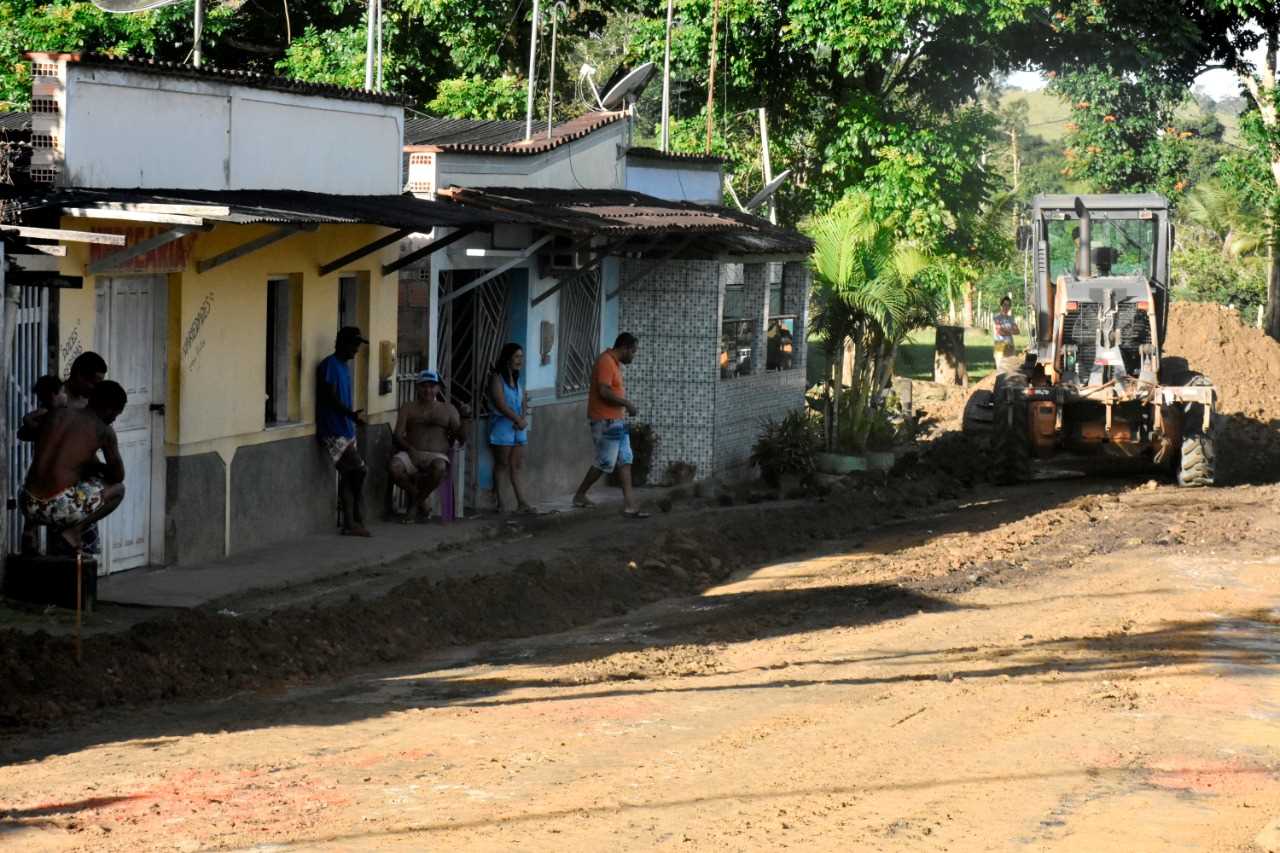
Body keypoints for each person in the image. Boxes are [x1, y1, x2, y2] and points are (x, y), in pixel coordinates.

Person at [21, 380, 128, 552]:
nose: (114, 419)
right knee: (118, 490)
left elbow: (28, 427)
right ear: (109, 408)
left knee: (44, 474)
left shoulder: (56, 414)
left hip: (26, 502)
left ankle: (29, 529)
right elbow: (118, 476)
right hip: (57, 508)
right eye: (115, 414)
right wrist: (98, 467)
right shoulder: (104, 431)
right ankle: (73, 531)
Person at [572, 333, 648, 519]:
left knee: (625, 460)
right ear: (625, 348)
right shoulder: (606, 361)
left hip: (615, 420)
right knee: (605, 462)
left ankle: (630, 505)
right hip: (605, 420)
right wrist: (626, 403)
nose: (633, 356)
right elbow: (604, 391)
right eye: (633, 351)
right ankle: (580, 495)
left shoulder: (613, 362)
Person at [390, 369, 466, 523]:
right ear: (417, 388)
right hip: (411, 452)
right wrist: (411, 450)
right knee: (394, 468)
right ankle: (422, 501)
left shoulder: (448, 409)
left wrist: (466, 418)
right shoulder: (408, 407)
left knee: (439, 469)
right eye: (424, 386)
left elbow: (462, 438)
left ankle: (414, 506)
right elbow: (397, 435)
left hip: (437, 455)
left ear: (438, 388)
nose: (428, 390)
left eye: (432, 386)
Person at [317, 326, 371, 537]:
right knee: (359, 470)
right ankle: (355, 510)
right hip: (334, 429)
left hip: (346, 428)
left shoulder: (343, 367)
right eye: (354, 345)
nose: (356, 350)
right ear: (342, 343)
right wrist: (350, 415)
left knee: (350, 475)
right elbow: (329, 398)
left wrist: (351, 417)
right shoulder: (329, 365)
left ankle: (350, 523)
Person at [488, 343, 535, 514]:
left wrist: (521, 418)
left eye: (521, 357)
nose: (520, 360)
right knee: (501, 465)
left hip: (517, 427)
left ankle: (522, 502)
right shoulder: (496, 378)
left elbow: (523, 400)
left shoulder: (516, 379)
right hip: (502, 427)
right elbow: (500, 404)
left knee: (515, 466)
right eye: (516, 357)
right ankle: (500, 503)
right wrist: (517, 419)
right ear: (507, 358)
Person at [17, 374, 68, 442]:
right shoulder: (48, 416)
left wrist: (29, 418)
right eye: (63, 391)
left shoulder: (67, 411)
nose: (66, 395)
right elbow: (22, 434)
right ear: (53, 396)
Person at [993, 297, 1021, 365]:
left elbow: (1018, 331)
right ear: (1001, 305)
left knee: (1011, 365)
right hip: (999, 343)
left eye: (1008, 305)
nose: (1006, 307)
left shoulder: (1011, 318)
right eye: (1005, 305)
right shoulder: (997, 317)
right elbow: (999, 332)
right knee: (1000, 364)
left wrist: (1005, 330)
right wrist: (1011, 331)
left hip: (1010, 344)